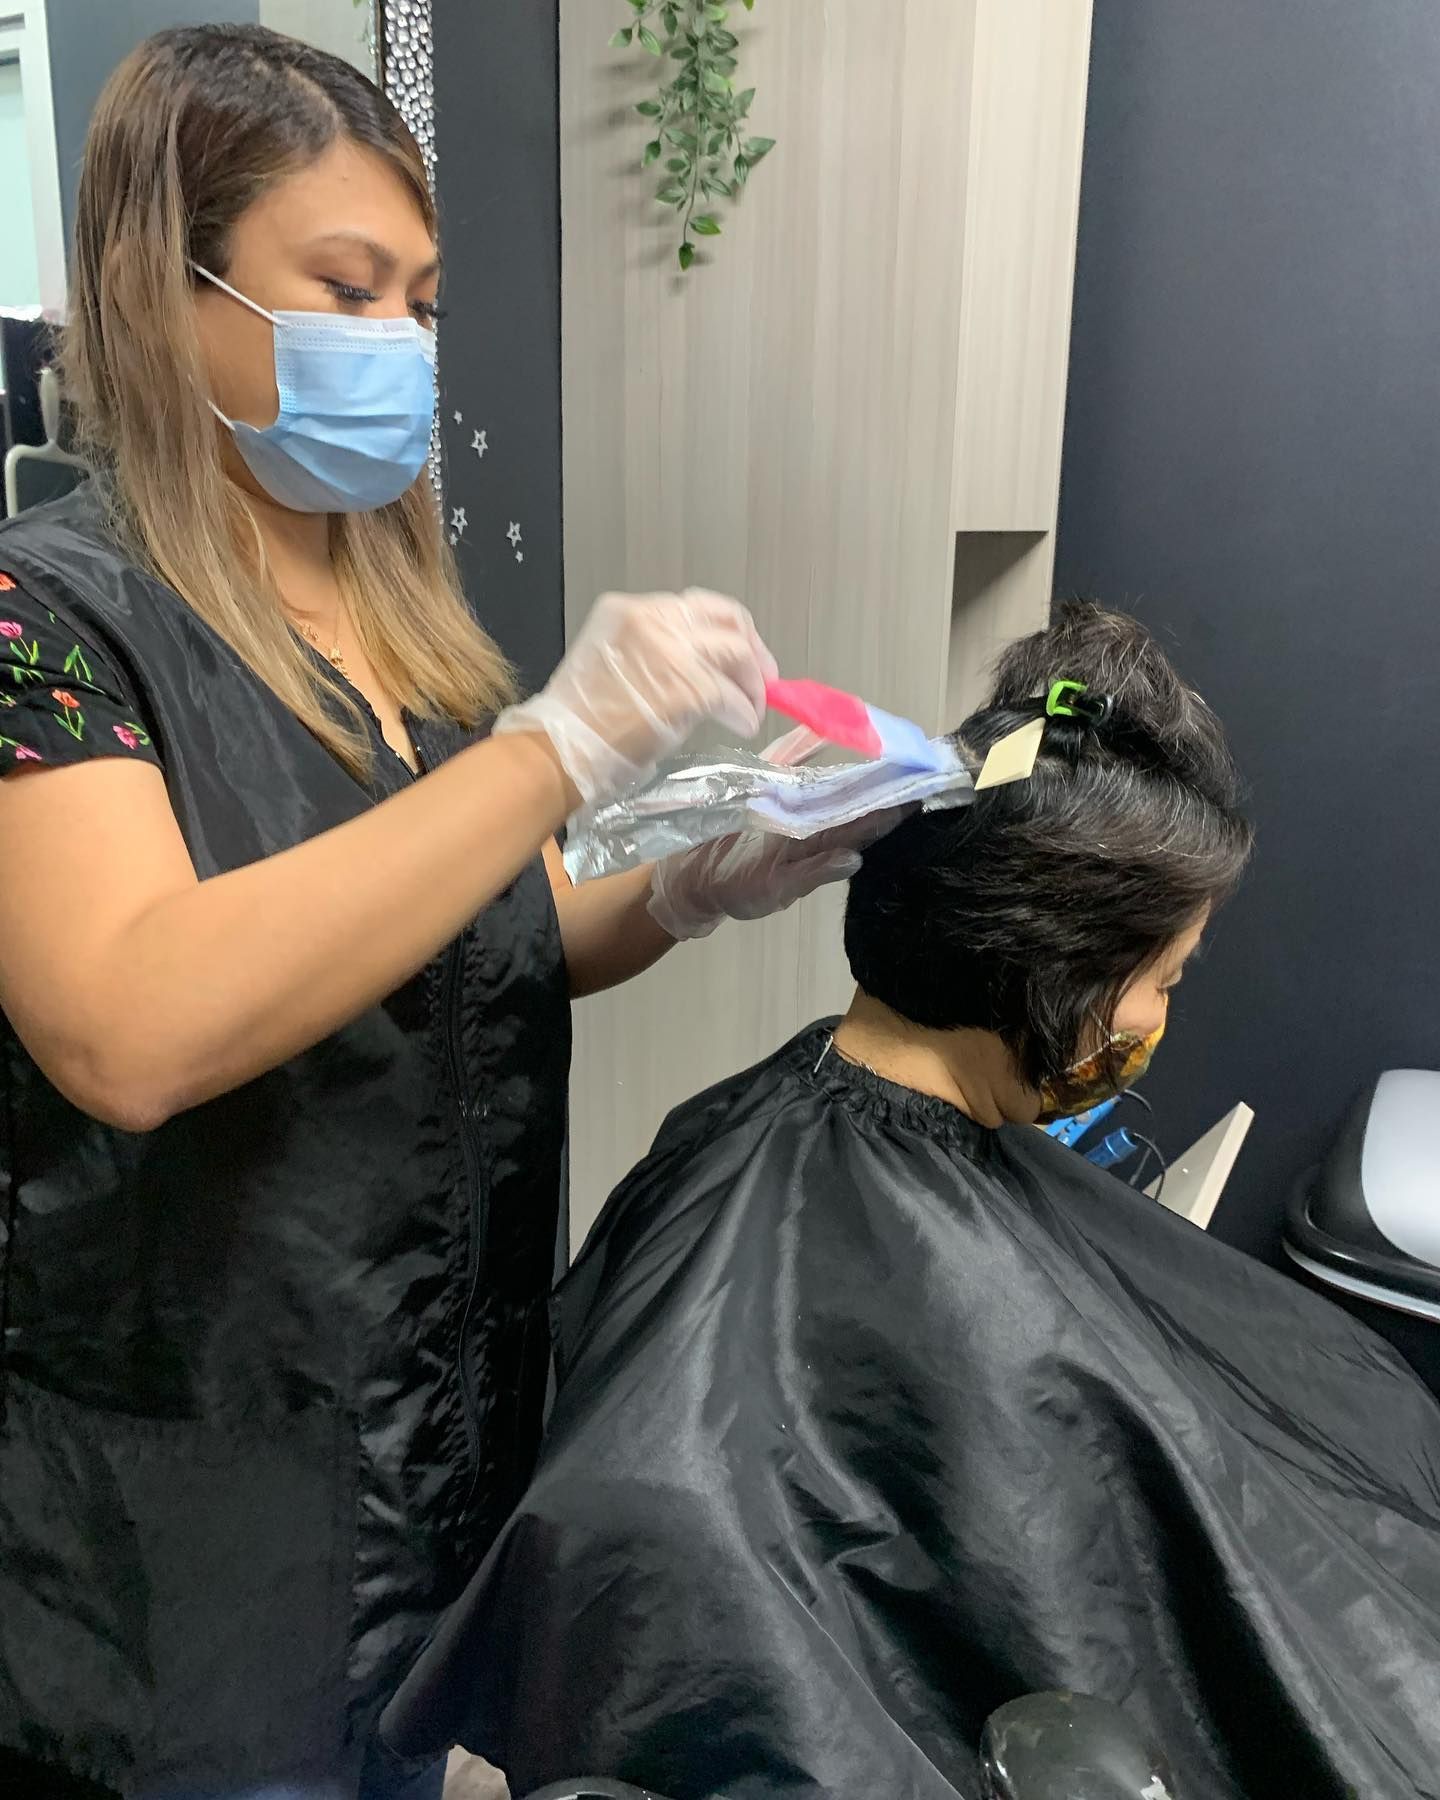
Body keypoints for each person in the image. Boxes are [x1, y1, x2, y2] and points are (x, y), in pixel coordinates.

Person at [0, 26, 862, 1800]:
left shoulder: (391, 621)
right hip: (194, 1534)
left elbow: (487, 930)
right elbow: (128, 1025)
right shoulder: (44, 621)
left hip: (435, 1448)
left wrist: (692, 878)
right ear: (168, 292)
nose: (393, 341)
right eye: (345, 286)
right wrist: (555, 747)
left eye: (419, 299)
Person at [383, 604, 1440, 1800]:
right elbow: (675, 1565)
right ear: (1064, 984)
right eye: (1163, 980)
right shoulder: (811, 1243)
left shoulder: (750, 1136)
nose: (1159, 1021)